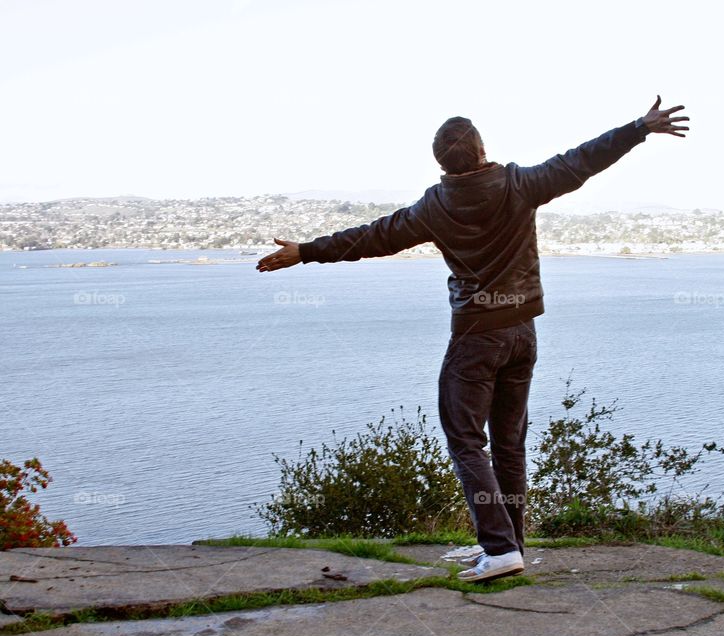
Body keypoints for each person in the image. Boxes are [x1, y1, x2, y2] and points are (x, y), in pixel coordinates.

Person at [257, 97, 689, 581]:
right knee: (508, 443)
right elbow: (581, 160)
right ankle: (510, 546)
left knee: (466, 439)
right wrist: (638, 128)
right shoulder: (520, 184)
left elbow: (372, 237)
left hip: (476, 338)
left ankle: (500, 547)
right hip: (522, 333)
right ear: (482, 151)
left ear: (441, 162)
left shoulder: (433, 207)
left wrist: (307, 252)